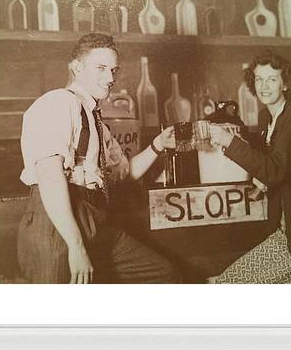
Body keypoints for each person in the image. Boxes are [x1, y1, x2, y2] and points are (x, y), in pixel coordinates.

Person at [17, 33, 180, 284]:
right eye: (101, 68)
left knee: (162, 273)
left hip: (93, 217)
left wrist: (158, 145)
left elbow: (123, 175)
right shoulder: (58, 102)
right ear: (76, 67)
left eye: (114, 70)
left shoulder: (97, 122)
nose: (110, 78)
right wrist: (76, 245)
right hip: (57, 222)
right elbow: (49, 175)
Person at [208, 50, 291, 284]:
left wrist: (229, 141)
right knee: (230, 281)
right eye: (259, 79)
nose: (264, 86)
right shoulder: (266, 119)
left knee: (229, 283)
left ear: (285, 84)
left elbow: (274, 169)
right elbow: (276, 165)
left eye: (272, 79)